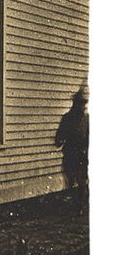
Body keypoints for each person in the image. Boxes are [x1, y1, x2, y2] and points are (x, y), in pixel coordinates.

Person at [55, 83, 89, 214]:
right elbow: (59, 136)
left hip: (83, 153)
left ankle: (79, 205)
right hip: (70, 152)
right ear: (74, 104)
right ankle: (74, 202)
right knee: (70, 178)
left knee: (81, 180)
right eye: (80, 103)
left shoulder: (87, 120)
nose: (82, 107)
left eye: (84, 104)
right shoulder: (67, 119)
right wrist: (59, 140)